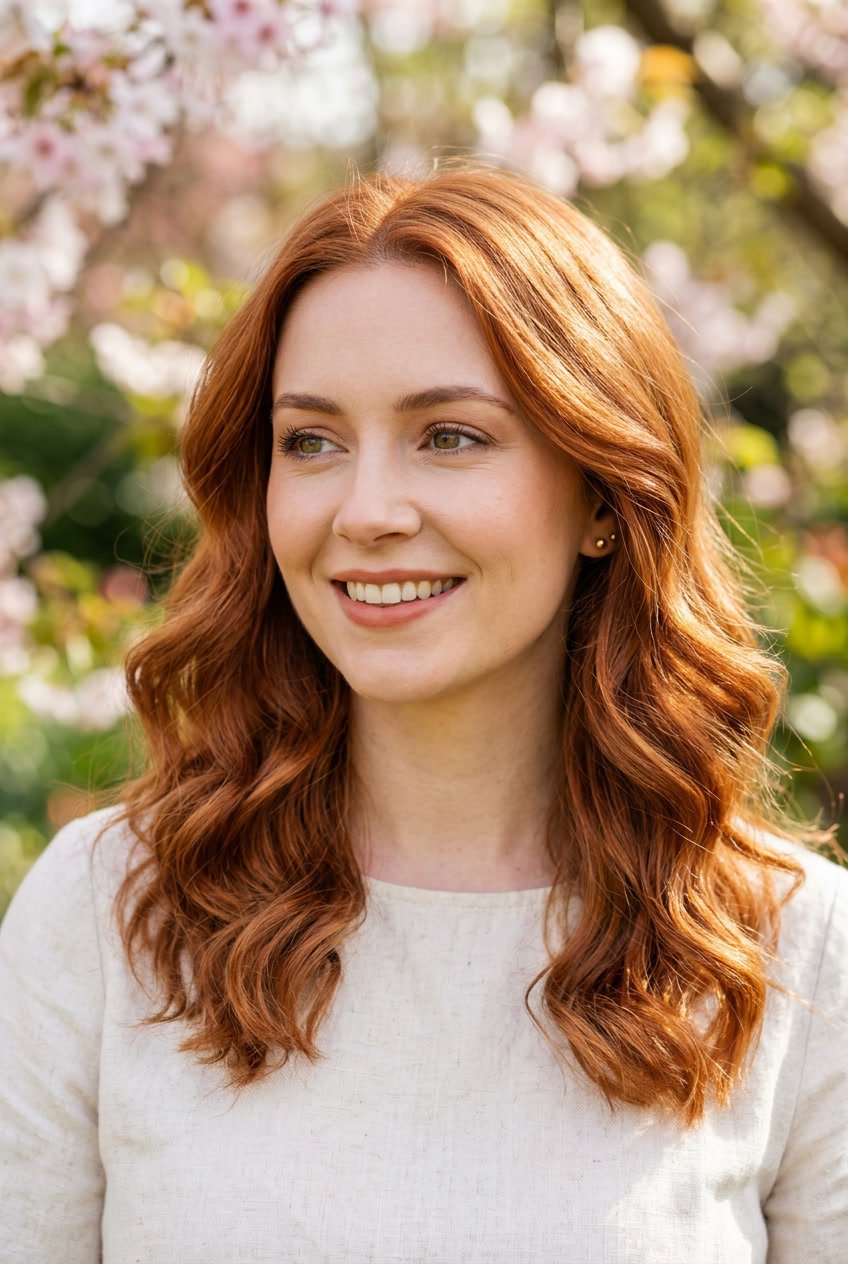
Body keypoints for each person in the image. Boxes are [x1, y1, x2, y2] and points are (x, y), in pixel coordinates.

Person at [1, 163, 846, 1264]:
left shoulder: (792, 948)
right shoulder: (112, 911)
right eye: (310, 441)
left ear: (601, 491)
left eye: (447, 435)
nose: (364, 511)